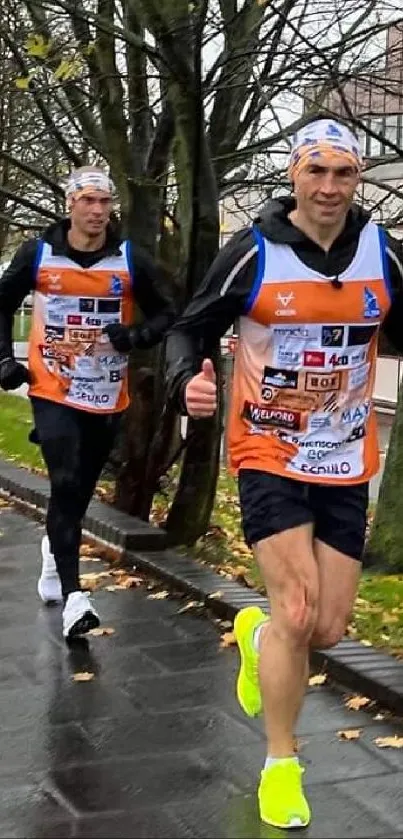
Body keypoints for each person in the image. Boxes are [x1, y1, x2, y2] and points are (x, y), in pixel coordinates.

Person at [165, 117, 403, 828]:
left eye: (343, 174)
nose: (328, 187)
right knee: (295, 609)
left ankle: (253, 633)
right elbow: (189, 324)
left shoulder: (381, 253)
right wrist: (187, 378)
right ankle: (279, 763)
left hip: (344, 456)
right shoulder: (255, 251)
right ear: (293, 175)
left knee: (325, 629)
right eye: (315, 171)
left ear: (356, 180)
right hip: (267, 450)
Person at [0, 166, 175, 641]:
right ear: (70, 204)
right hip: (51, 387)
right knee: (67, 476)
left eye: (105, 202)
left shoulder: (128, 259)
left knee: (76, 494)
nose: (97, 211)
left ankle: (54, 550)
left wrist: (136, 336)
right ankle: (76, 598)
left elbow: (167, 310)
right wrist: (4, 360)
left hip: (104, 391)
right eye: (88, 201)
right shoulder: (37, 254)